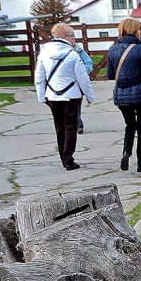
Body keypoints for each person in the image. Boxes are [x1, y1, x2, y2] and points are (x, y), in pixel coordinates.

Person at [34, 22, 95, 171]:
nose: (74, 39)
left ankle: (64, 157)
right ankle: (68, 159)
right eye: (72, 35)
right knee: (70, 128)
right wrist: (90, 96)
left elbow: (39, 77)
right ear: (64, 37)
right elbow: (82, 78)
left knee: (59, 127)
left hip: (52, 96)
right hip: (71, 96)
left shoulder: (44, 53)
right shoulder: (72, 54)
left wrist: (41, 96)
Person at [106, 18, 141, 172]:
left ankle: (126, 153)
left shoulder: (112, 50)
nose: (140, 31)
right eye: (139, 29)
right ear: (135, 30)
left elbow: (110, 75)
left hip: (122, 94)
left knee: (129, 125)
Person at [73, 40, 94, 134]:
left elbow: (89, 63)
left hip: (78, 83)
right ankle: (75, 124)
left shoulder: (79, 50)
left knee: (76, 106)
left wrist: (81, 70)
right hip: (62, 84)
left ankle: (78, 125)